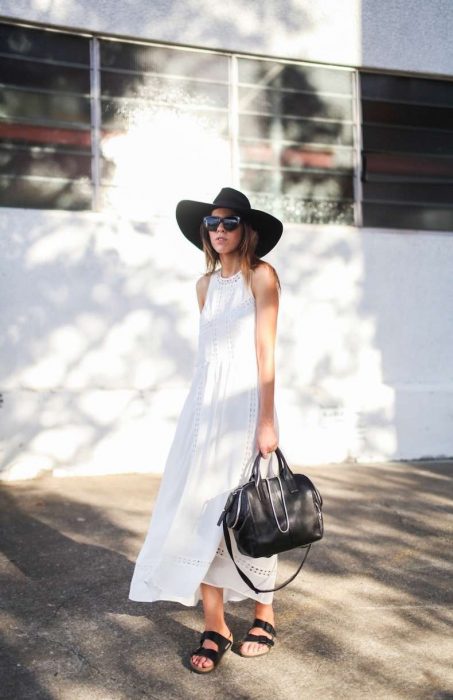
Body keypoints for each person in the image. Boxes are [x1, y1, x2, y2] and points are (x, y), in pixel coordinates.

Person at [129, 187, 283, 674]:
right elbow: (210, 360)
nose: (219, 230)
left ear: (246, 229)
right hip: (204, 414)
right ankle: (215, 623)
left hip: (245, 413)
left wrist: (266, 419)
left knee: (254, 515)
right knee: (200, 512)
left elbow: (265, 353)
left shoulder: (262, 277)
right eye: (212, 224)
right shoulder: (204, 286)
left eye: (229, 222)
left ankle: (264, 612)